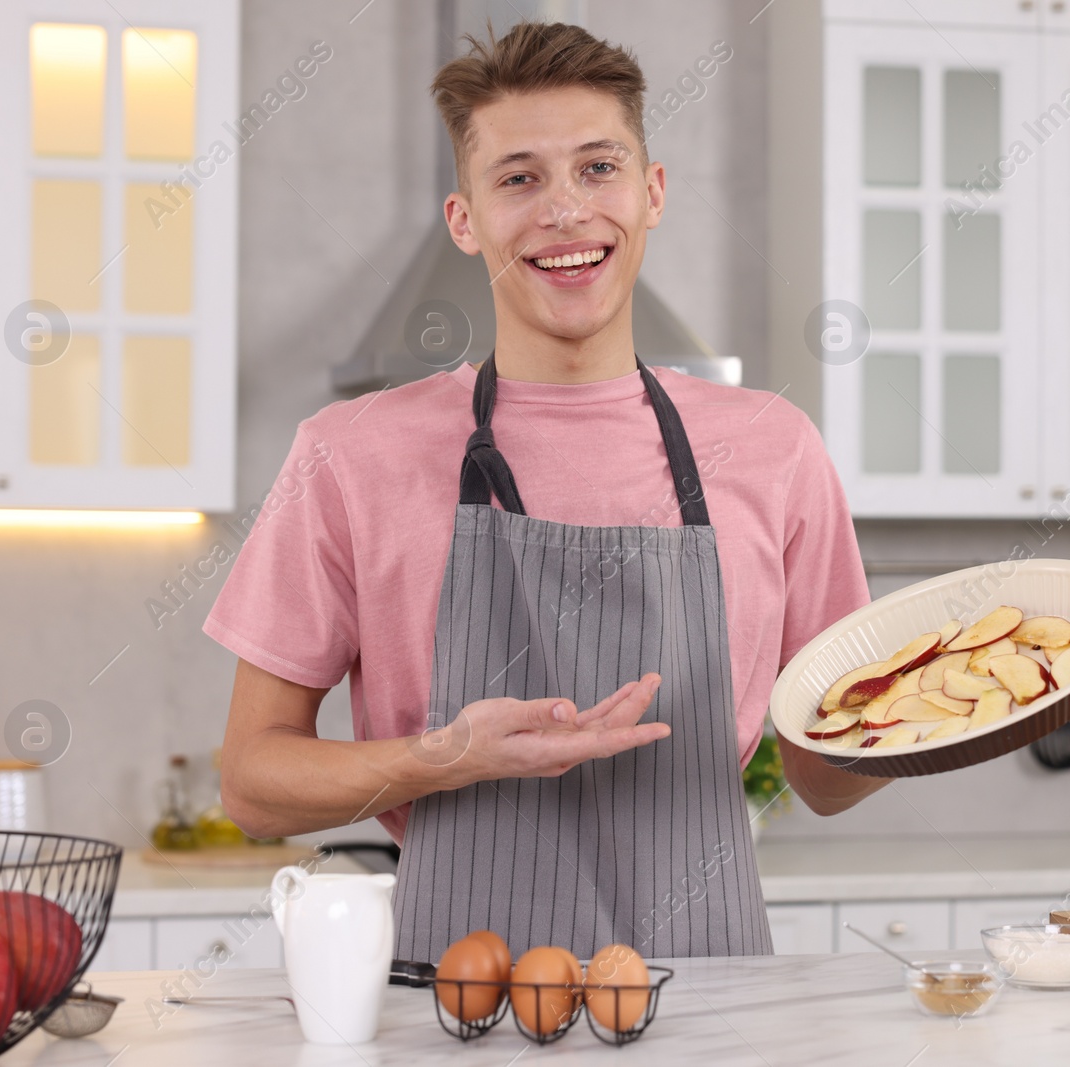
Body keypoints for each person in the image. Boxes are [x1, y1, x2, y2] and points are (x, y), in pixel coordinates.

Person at [207, 20, 884, 961]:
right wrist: (445, 756)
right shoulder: (348, 454)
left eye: (598, 168)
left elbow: (823, 775)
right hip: (455, 995)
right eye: (519, 178)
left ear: (652, 194)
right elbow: (250, 783)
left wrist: (924, 726)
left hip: (711, 995)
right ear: (466, 218)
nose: (565, 211)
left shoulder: (774, 447)